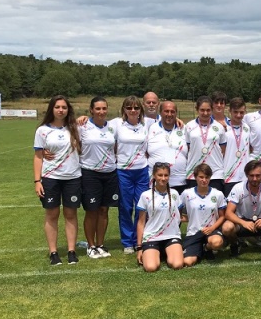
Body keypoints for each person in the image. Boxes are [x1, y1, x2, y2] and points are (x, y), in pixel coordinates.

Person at [33, 95, 82, 265]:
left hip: (73, 177)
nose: (61, 110)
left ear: (68, 110)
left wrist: (84, 118)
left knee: (71, 213)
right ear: (52, 109)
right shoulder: (42, 131)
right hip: (50, 178)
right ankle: (53, 253)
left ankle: (71, 251)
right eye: (57, 107)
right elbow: (38, 157)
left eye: (64, 107)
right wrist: (37, 181)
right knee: (52, 214)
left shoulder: (75, 128)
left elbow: (91, 125)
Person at [109, 96, 151, 254]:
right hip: (123, 171)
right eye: (129, 107)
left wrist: (180, 122)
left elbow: (164, 119)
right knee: (126, 207)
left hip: (142, 171)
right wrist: (82, 118)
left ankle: (138, 239)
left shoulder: (147, 124)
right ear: (124, 110)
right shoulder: (116, 124)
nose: (133, 111)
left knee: (141, 208)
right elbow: (97, 124)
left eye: (136, 108)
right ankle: (127, 242)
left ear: (140, 110)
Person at [79, 96, 118, 259]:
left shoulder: (113, 127)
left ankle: (100, 244)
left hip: (110, 173)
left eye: (104, 108)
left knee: (104, 210)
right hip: (90, 173)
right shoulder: (82, 126)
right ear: (91, 110)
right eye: (98, 109)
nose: (101, 112)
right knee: (91, 211)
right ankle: (91, 245)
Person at [223, 160, 261, 257]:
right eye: (251, 175)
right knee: (227, 227)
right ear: (246, 175)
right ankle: (235, 243)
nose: (255, 178)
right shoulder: (238, 188)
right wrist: (243, 223)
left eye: (258, 175)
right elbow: (228, 213)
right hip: (242, 223)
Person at [135, 162, 184, 272]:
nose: (163, 178)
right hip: (152, 237)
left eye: (166, 175)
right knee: (151, 267)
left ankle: (167, 252)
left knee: (177, 264)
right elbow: (141, 222)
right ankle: (156, 252)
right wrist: (139, 248)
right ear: (154, 176)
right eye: (160, 175)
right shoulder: (145, 196)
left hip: (171, 236)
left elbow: (179, 217)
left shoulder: (175, 194)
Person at [179, 163, 226, 266]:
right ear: (195, 177)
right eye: (201, 177)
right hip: (193, 232)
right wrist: (182, 218)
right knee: (187, 262)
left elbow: (222, 216)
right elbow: (176, 210)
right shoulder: (187, 193)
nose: (204, 180)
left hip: (211, 231)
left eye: (207, 177)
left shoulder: (218, 194)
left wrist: (212, 228)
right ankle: (199, 248)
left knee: (217, 242)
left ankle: (206, 248)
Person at [184, 96, 227, 192]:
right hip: (193, 173)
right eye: (202, 110)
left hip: (215, 174)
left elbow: (223, 150)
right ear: (197, 109)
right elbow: (188, 148)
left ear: (212, 110)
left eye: (208, 110)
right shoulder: (189, 126)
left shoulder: (219, 127)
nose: (205, 113)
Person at [146, 101, 188, 194]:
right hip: (156, 181)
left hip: (180, 181)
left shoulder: (184, 128)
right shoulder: (151, 128)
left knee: (178, 208)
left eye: (172, 112)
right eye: (166, 111)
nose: (169, 114)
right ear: (160, 113)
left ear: (176, 113)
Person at [222, 97, 251, 197]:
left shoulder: (247, 127)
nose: (239, 115)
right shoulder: (224, 127)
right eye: (235, 112)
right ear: (229, 111)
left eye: (241, 112)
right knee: (228, 208)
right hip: (229, 176)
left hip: (245, 176)